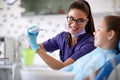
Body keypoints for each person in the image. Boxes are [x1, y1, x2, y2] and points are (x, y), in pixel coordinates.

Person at [27, 0, 96, 70]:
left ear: (86, 21)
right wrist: (31, 39)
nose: (74, 24)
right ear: (67, 17)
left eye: (80, 20)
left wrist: (37, 49)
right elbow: (34, 47)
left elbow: (64, 67)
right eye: (71, 18)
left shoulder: (90, 43)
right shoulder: (62, 37)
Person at [60, 15, 120, 80]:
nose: (94, 33)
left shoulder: (109, 60)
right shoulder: (96, 51)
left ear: (110, 34)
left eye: (99, 29)